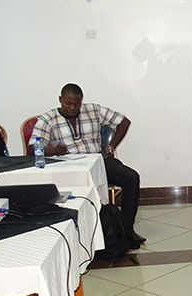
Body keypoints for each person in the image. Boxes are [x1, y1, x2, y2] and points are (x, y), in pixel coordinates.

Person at [30, 83, 145, 246]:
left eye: (76, 104)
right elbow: (33, 147)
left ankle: (126, 230)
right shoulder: (48, 119)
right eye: (67, 103)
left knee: (131, 178)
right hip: (68, 166)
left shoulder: (93, 110)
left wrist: (110, 148)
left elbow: (124, 122)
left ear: (81, 101)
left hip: (97, 161)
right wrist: (52, 150)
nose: (72, 107)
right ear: (60, 100)